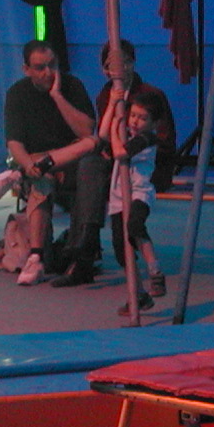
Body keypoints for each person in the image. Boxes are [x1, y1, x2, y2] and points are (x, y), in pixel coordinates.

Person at [62, 39, 176, 289]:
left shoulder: (151, 96)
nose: (115, 70)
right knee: (87, 169)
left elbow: (163, 142)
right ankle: (86, 243)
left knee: (94, 177)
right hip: (116, 163)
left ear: (131, 63)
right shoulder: (106, 94)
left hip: (145, 166)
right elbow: (104, 135)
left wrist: (123, 147)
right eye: (108, 66)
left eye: (121, 64)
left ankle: (87, 248)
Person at [0, 39, 101, 286]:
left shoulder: (72, 86)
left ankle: (79, 248)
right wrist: (27, 165)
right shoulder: (17, 94)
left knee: (91, 157)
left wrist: (57, 96)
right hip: (36, 161)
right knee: (40, 176)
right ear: (27, 69)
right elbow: (15, 143)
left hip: (71, 159)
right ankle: (37, 255)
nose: (48, 72)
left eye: (52, 65)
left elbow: (87, 131)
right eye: (40, 67)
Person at [105, 95, 165, 315]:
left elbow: (120, 152)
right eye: (133, 116)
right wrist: (114, 114)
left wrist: (115, 127)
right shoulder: (128, 135)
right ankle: (139, 295)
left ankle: (155, 271)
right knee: (121, 250)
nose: (135, 121)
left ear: (154, 123)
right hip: (118, 198)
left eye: (142, 118)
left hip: (139, 193)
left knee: (135, 227)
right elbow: (105, 141)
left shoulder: (147, 139)